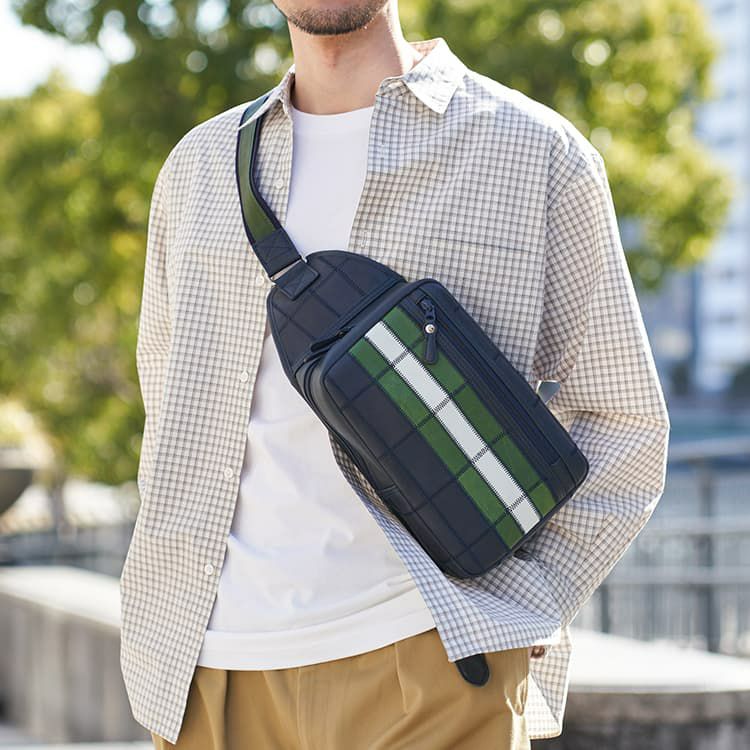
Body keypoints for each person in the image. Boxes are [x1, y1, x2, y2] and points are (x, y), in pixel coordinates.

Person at [122, 1, 671, 748]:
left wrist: (530, 597)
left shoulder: (533, 151)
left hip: (436, 663)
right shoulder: (199, 167)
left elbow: (625, 417)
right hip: (208, 670)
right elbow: (168, 400)